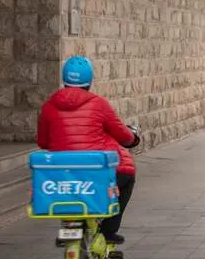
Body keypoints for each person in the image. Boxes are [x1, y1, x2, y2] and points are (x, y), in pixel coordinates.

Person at [37, 56, 139, 246]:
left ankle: (71, 226)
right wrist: (132, 139)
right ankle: (108, 231)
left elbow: (43, 141)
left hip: (62, 175)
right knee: (127, 175)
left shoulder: (49, 106)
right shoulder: (99, 104)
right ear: (89, 81)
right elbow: (121, 133)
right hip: (94, 173)